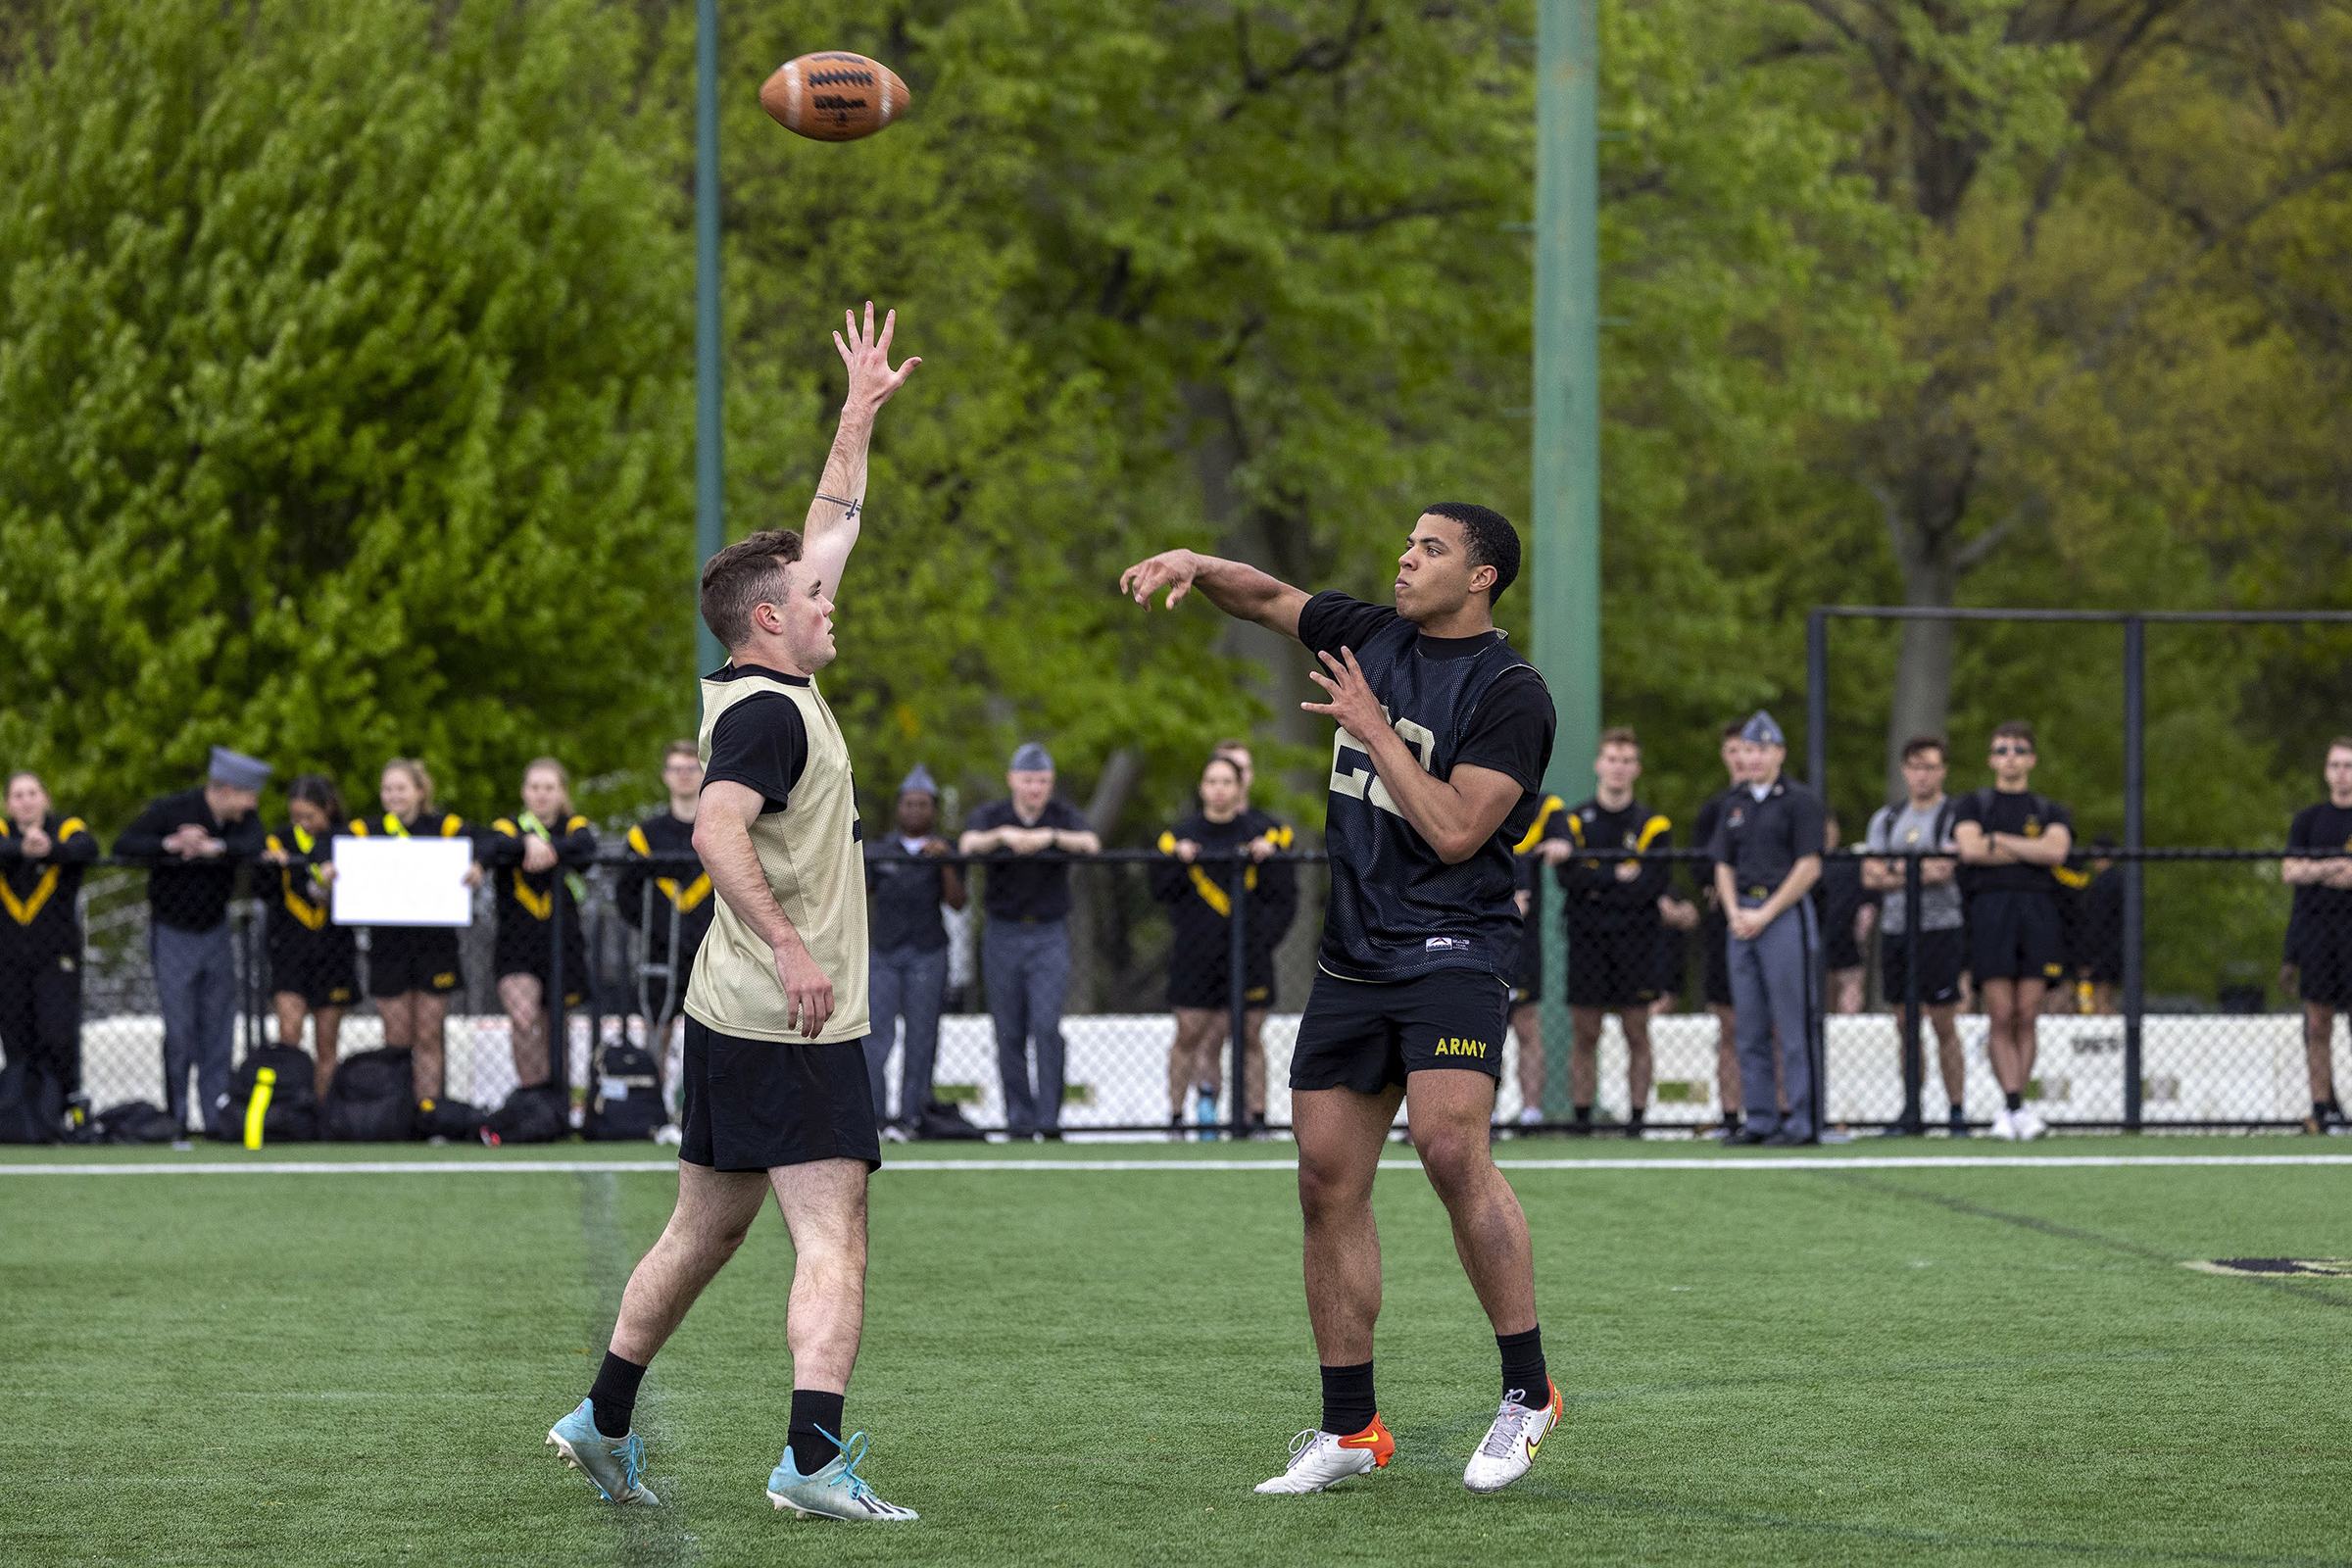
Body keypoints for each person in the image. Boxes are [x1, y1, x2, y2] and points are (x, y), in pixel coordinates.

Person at [547, 300, 920, 1522]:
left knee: (704, 1229)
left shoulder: (763, 678)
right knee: (835, 1231)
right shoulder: (768, 711)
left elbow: (831, 525)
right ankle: (811, 1459)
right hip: (789, 1010)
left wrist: (857, 415)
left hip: (732, 1010)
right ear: (770, 615)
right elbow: (713, 831)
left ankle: (602, 1419)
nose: (830, 598)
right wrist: (798, 948)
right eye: (810, 595)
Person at [1121, 500, 1562, 1497]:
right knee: (1325, 1181)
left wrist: (1372, 727)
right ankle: (1350, 1424)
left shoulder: (1511, 692)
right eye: (1407, 543)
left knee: (1452, 1148)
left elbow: (1455, 830)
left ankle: (1528, 1390)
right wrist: (1194, 556)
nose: (1406, 559)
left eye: (1431, 548)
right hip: (1351, 958)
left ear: (1483, 575)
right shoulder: (1368, 633)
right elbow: (1270, 597)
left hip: (1454, 945)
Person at [114, 747, 270, 1138]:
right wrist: (169, 845)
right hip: (172, 934)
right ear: (227, 790)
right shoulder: (173, 809)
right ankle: (177, 1116)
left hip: (215, 932)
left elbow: (256, 845)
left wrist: (214, 848)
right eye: (248, 794)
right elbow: (124, 845)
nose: (252, 804)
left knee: (218, 1027)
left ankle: (215, 1115)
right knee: (180, 1029)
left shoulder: (242, 822)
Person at [1151, 753, 1297, 1138]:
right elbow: (1157, 891)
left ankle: (1257, 1119)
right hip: (1195, 954)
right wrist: (1177, 861)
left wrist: (1269, 860)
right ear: (1202, 788)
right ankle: (1178, 1119)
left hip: (1248, 954)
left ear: (1239, 787)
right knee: (1188, 1035)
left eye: (1226, 782)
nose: (1219, 790)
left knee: (1250, 1036)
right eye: (1211, 782)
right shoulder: (1179, 836)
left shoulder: (1261, 834)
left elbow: (1284, 896)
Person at [958, 743, 1101, 1139]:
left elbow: (1091, 844)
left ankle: (1049, 1120)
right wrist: (1003, 836)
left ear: (1050, 783)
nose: (1034, 788)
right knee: (1008, 1030)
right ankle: (1019, 1121)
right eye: (1027, 780)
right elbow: (967, 844)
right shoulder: (993, 815)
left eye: (1041, 781)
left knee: (1046, 1024)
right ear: (1012, 780)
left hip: (1049, 933)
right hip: (1001, 931)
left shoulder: (1062, 817)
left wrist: (1049, 838)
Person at [1952, 720, 2074, 1143]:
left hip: (2037, 914)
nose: (2010, 757)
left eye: (2019, 750)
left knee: (2027, 1013)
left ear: (2032, 759)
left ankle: (2018, 1103)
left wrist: (2000, 842)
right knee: (2000, 1014)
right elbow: (1969, 849)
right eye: (2002, 750)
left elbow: (2055, 851)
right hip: (1990, 913)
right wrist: (2028, 852)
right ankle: (2011, 1104)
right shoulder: (1974, 804)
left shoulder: (2048, 810)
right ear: (1991, 758)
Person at [1709, 711, 1825, 1148]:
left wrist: (1765, 913)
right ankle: (1759, 1118)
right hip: (1742, 917)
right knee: (1749, 1025)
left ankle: (1803, 1119)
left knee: (1793, 1023)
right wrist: (1736, 911)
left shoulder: (1799, 801)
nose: (1754, 758)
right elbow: (1722, 862)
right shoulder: (1734, 802)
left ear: (1779, 753)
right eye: (1749, 749)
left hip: (1782, 915)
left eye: (1763, 749)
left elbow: (1809, 865)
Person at [1557, 728, 1673, 1137]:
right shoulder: (1573, 819)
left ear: (1636, 768)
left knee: (1636, 1031)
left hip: (1637, 940)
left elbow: (1652, 883)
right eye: (1612, 759)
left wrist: (1597, 880)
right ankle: (1582, 1119)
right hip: (1587, 938)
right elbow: (1568, 877)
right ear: (1598, 764)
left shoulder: (1654, 824)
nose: (1618, 768)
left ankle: (1638, 1120)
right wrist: (1618, 875)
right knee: (1585, 1032)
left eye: (1627, 760)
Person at [347, 760, 477, 1105]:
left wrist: (476, 865)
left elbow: (488, 841)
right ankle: (399, 1109)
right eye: (387, 789)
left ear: (420, 792)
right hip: (388, 946)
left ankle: (429, 1109)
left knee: (429, 1033)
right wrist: (329, 865)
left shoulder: (443, 826)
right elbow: (327, 846)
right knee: (397, 1035)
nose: (393, 795)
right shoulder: (367, 830)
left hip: (435, 946)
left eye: (401, 788)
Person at [1862, 737, 1969, 1135]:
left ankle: (1957, 1109)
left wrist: (1896, 874)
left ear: (1942, 770)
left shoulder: (1954, 817)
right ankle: (1912, 1109)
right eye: (1914, 766)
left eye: (1930, 766)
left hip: (1940, 929)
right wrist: (1916, 872)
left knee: (1944, 1023)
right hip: (1896, 930)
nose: (1921, 774)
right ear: (1905, 770)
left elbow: (1945, 871)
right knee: (1906, 1025)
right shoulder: (1886, 819)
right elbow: (1869, 874)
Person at [861, 763, 965, 1137]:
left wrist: (945, 864)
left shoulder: (945, 851)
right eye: (909, 804)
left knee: (922, 1036)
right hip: (885, 953)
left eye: (923, 805)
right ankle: (874, 1116)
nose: (915, 811)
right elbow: (858, 893)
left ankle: (912, 1116)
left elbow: (958, 902)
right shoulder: (878, 850)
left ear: (934, 810)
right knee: (875, 1034)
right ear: (898, 808)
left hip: (927, 952)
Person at [484, 760, 597, 1091]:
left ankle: (556, 1098)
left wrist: (548, 847)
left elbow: (585, 849)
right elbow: (493, 848)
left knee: (556, 1026)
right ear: (524, 792)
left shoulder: (574, 824)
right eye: (534, 787)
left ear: (562, 792)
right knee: (523, 1019)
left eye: (549, 788)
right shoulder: (509, 826)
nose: (541, 795)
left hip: (563, 942)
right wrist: (526, 843)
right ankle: (532, 1094)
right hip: (516, 944)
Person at [616, 742, 714, 1114]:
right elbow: (626, 895)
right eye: (676, 768)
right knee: (658, 1028)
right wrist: (657, 929)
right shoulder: (645, 836)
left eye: (692, 767)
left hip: (713, 946)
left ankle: (705, 1111)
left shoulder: (720, 827)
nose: (685, 774)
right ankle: (652, 1109)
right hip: (662, 950)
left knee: (712, 1034)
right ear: (665, 776)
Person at [0, 771, 99, 1127]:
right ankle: (23, 1113)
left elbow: (88, 848)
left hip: (56, 956)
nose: (26, 801)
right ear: (9, 804)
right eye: (17, 795)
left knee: (57, 1033)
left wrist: (50, 850)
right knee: (15, 1035)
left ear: (45, 798)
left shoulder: (65, 827)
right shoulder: (4, 831)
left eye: (32, 793)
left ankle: (62, 1106)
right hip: (9, 958)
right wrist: (20, 849)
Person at [262, 774, 360, 1102]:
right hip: (289, 949)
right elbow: (263, 891)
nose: (303, 824)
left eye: (310, 816)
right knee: (289, 1032)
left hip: (333, 951)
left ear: (328, 809)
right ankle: (288, 1108)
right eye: (296, 817)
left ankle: (322, 1113)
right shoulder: (279, 841)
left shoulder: (346, 841)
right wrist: (270, 867)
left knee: (326, 1043)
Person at [2281, 738, 2352, 1135]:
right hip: (2316, 935)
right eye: (2335, 765)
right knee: (2317, 1024)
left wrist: (2315, 867)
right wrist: (2335, 866)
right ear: (2326, 771)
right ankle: (2322, 1107)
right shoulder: (2307, 820)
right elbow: (2290, 871)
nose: (2342, 772)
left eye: (2348, 765)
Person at [1689, 719, 1748, 1134]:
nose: (1743, 758)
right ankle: (1731, 1115)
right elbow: (1699, 866)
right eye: (1734, 750)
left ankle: (1779, 1113)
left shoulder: (1786, 803)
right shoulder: (1714, 810)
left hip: (1772, 922)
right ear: (1725, 755)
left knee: (1775, 1028)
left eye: (1750, 749)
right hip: (1725, 926)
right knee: (1728, 1025)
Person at [1505, 792, 1569, 1130]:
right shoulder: (1467, 796)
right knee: (1481, 1027)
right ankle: (1484, 1115)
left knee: (1527, 1025)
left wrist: (1561, 845)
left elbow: (1565, 838)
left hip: (1522, 943)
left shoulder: (1544, 807)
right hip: (1471, 933)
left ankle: (1531, 1114)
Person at [1815, 811, 1868, 1015]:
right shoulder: (1807, 866)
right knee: (1821, 995)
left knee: (1849, 994)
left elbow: (1868, 902)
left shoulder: (1850, 862)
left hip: (1846, 937)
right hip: (1817, 937)